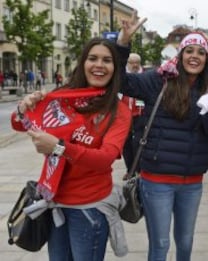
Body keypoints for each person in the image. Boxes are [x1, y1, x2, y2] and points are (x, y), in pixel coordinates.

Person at [10, 37, 132, 260]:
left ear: (114, 68)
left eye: (107, 60)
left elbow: (105, 158)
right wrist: (24, 107)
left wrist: (58, 147)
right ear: (83, 62)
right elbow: (20, 123)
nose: (99, 65)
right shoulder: (64, 96)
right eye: (92, 58)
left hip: (89, 208)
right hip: (54, 200)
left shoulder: (119, 110)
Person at [117, 14, 208, 261]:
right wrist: (123, 43)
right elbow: (121, 82)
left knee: (185, 243)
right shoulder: (158, 80)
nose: (195, 56)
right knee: (160, 245)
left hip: (191, 181)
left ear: (206, 59)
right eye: (189, 50)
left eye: (201, 52)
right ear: (181, 54)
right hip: (156, 181)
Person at [121, 53, 145, 180]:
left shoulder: (144, 76)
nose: (135, 65)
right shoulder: (123, 77)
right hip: (124, 114)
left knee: (138, 142)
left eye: (137, 62)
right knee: (125, 143)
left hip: (140, 114)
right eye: (132, 62)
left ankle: (139, 169)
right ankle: (130, 169)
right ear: (127, 63)